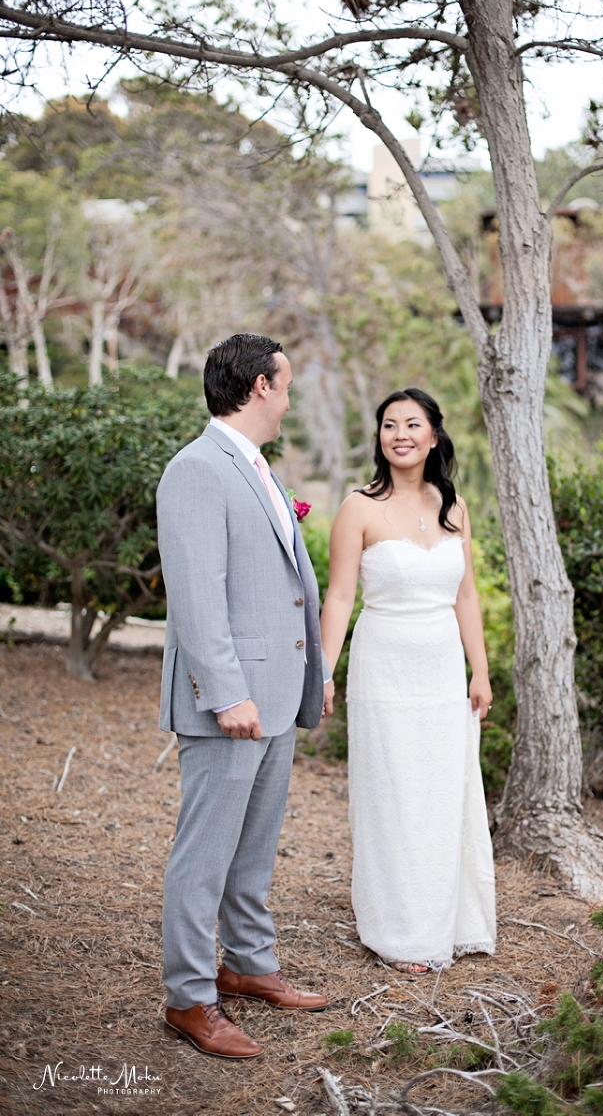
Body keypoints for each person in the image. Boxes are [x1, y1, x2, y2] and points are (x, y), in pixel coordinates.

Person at [157, 333, 333, 1059]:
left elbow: (284, 588)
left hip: (278, 691)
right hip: (230, 702)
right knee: (204, 856)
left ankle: (250, 967)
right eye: (286, 385)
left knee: (254, 849)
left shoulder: (255, 467)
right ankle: (190, 998)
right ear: (260, 386)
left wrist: (312, 673)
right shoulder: (196, 469)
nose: (290, 398)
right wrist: (227, 693)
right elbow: (197, 596)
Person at [320, 388, 496, 974]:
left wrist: (481, 668)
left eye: (412, 424)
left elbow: (465, 594)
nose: (400, 433)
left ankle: (448, 916)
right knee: (393, 791)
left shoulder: (456, 509)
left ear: (434, 436)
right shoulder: (359, 508)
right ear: (379, 438)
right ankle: (397, 928)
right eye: (389, 424)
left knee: (441, 788)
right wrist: (324, 669)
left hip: (443, 669)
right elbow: (340, 595)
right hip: (384, 667)